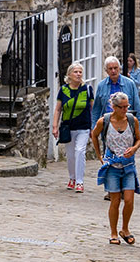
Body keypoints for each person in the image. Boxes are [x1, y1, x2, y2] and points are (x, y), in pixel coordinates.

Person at [91, 92, 140, 246]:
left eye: (127, 106)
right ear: (113, 106)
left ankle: (125, 229)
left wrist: (134, 148)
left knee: (129, 200)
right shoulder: (105, 121)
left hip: (128, 166)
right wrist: (100, 156)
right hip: (112, 166)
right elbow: (94, 135)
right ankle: (113, 233)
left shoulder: (132, 121)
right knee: (115, 201)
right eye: (122, 107)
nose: (125, 109)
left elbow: (139, 139)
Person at [52, 63, 92, 193]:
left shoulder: (88, 90)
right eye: (75, 72)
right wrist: (55, 126)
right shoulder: (63, 90)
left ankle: (80, 182)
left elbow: (92, 109)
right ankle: (72, 178)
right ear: (69, 74)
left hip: (83, 127)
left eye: (80, 72)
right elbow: (58, 109)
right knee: (70, 155)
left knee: (80, 151)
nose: (78, 74)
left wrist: (94, 127)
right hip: (68, 127)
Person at [93, 56, 140, 132]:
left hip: (126, 126)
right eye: (110, 69)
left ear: (119, 69)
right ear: (106, 71)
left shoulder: (129, 84)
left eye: (115, 68)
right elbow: (96, 109)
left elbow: (137, 105)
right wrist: (93, 128)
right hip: (107, 127)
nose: (113, 71)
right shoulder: (101, 86)